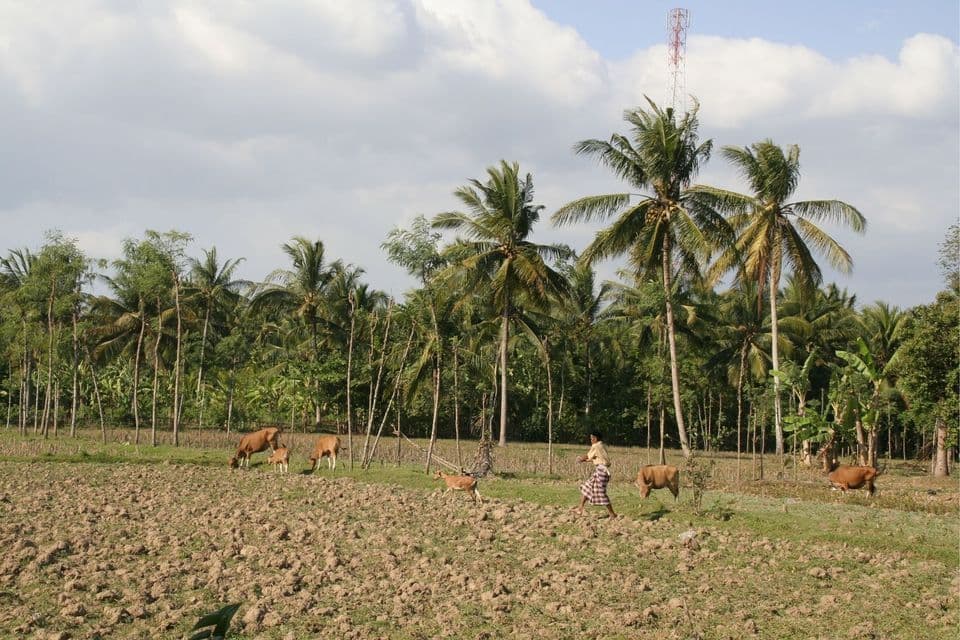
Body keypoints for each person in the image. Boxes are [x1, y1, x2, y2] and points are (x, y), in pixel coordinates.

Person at [574, 431, 617, 518]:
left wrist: (580, 459)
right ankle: (580, 508)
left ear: (595, 438)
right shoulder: (601, 446)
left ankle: (612, 513)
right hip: (600, 471)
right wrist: (583, 460)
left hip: (601, 472)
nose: (590, 440)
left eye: (591, 438)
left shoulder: (596, 446)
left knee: (601, 493)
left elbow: (588, 455)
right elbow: (594, 457)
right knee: (587, 487)